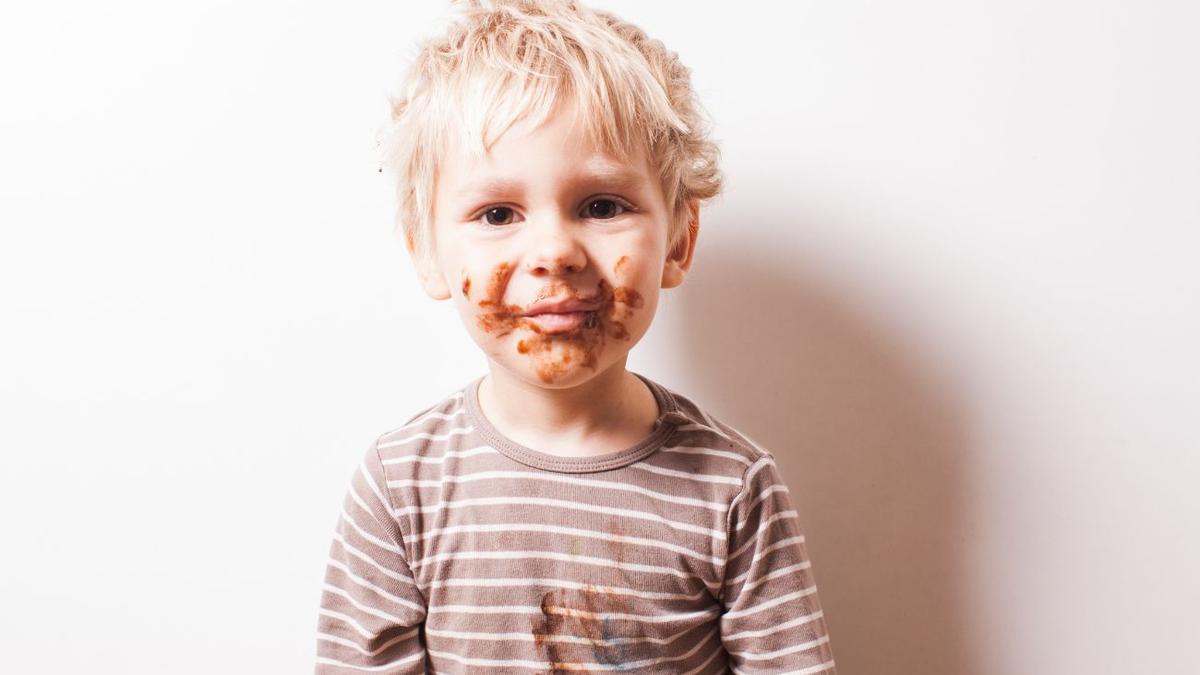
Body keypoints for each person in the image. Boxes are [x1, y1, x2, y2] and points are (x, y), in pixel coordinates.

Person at [315, 1, 836, 672]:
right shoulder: (402, 486)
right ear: (428, 254)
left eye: (601, 206)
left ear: (679, 240)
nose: (555, 251)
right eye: (498, 212)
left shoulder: (732, 489)